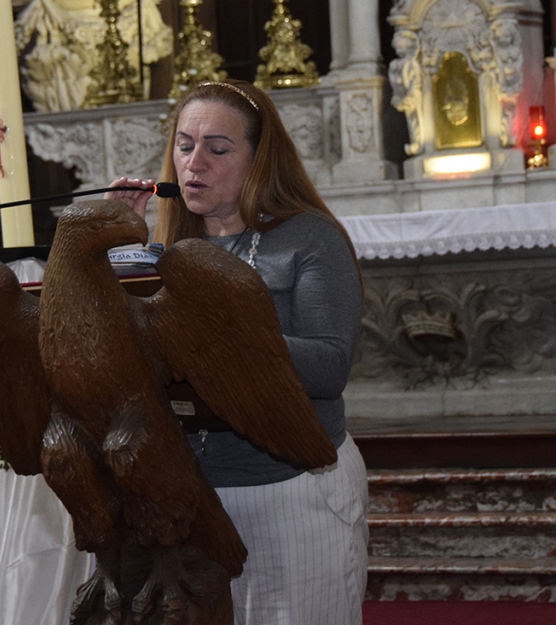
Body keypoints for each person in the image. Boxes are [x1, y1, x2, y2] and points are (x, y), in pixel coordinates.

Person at [111, 80, 368, 625]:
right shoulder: (166, 252)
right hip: (192, 498)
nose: (194, 163)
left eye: (218, 149)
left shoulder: (309, 239)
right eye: (185, 146)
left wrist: (220, 338)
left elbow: (329, 366)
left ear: (259, 160)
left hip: (292, 490)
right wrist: (116, 248)